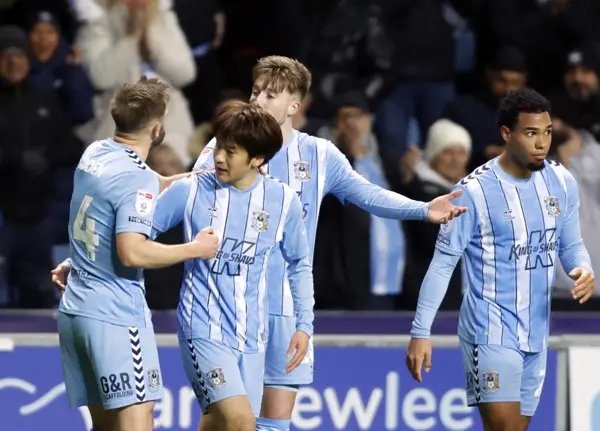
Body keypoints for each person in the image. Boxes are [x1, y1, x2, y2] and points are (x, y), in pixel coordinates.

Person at [193, 55, 468, 431]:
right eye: (255, 91)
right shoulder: (222, 147)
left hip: (289, 310)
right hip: (231, 307)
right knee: (225, 421)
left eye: (270, 95)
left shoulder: (319, 155)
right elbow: (190, 200)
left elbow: (367, 194)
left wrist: (423, 209)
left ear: (295, 105)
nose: (258, 101)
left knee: (274, 423)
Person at [405, 88, 596, 431]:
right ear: (507, 134)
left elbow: (570, 245)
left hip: (536, 332)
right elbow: (443, 263)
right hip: (490, 331)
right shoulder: (473, 192)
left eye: (548, 132)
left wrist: (583, 269)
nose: (542, 143)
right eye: (531, 133)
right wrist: (420, 332)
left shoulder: (562, 183)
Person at [54, 76, 219, 431]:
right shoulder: (136, 179)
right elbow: (131, 252)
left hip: (77, 313)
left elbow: (124, 193)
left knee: (106, 426)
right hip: (117, 315)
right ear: (157, 129)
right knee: (137, 420)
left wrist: (192, 177)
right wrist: (195, 248)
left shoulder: (96, 153)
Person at [153, 101, 314, 431]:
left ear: (258, 159)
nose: (219, 157)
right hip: (203, 329)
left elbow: (299, 263)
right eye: (219, 147)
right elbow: (135, 233)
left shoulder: (282, 200)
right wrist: (77, 262)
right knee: (242, 423)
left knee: (219, 426)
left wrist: (304, 325)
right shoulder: (192, 190)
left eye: (232, 151)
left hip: (252, 338)